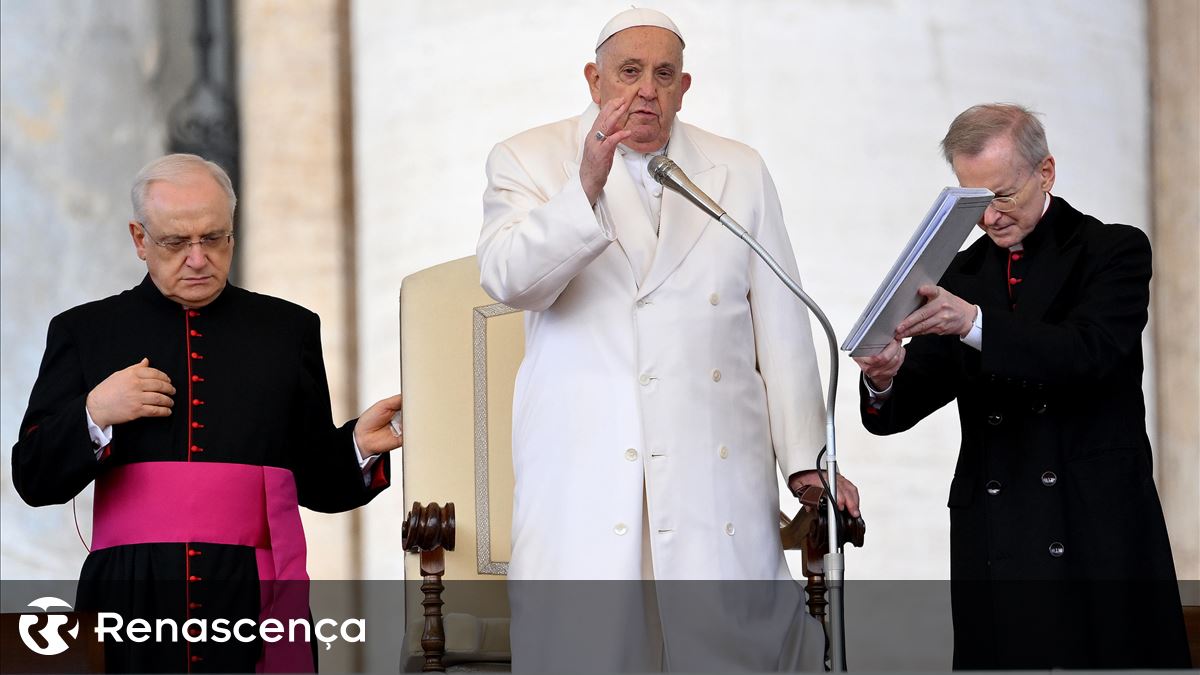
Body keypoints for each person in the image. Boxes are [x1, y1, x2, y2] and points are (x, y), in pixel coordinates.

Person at [478, 8, 858, 672]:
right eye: (629, 73)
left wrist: (804, 455)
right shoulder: (529, 158)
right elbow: (510, 280)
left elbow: (781, 321)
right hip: (590, 471)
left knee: (724, 649)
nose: (646, 90)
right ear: (594, 80)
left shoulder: (738, 169)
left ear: (685, 87)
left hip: (712, 470)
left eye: (663, 74)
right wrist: (586, 184)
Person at [11, 153, 403, 673]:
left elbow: (312, 480)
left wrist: (357, 446)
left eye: (214, 238)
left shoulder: (288, 331)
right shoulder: (84, 332)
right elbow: (33, 478)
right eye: (176, 242)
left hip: (252, 596)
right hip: (128, 597)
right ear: (139, 239)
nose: (198, 258)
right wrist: (96, 411)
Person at [854, 104, 1190, 669]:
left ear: (1047, 173)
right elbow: (907, 401)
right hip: (999, 532)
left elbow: (1089, 354)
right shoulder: (958, 273)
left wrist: (975, 325)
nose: (990, 217)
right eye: (973, 200)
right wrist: (885, 377)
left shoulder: (1113, 251)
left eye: (1003, 195)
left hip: (1093, 522)